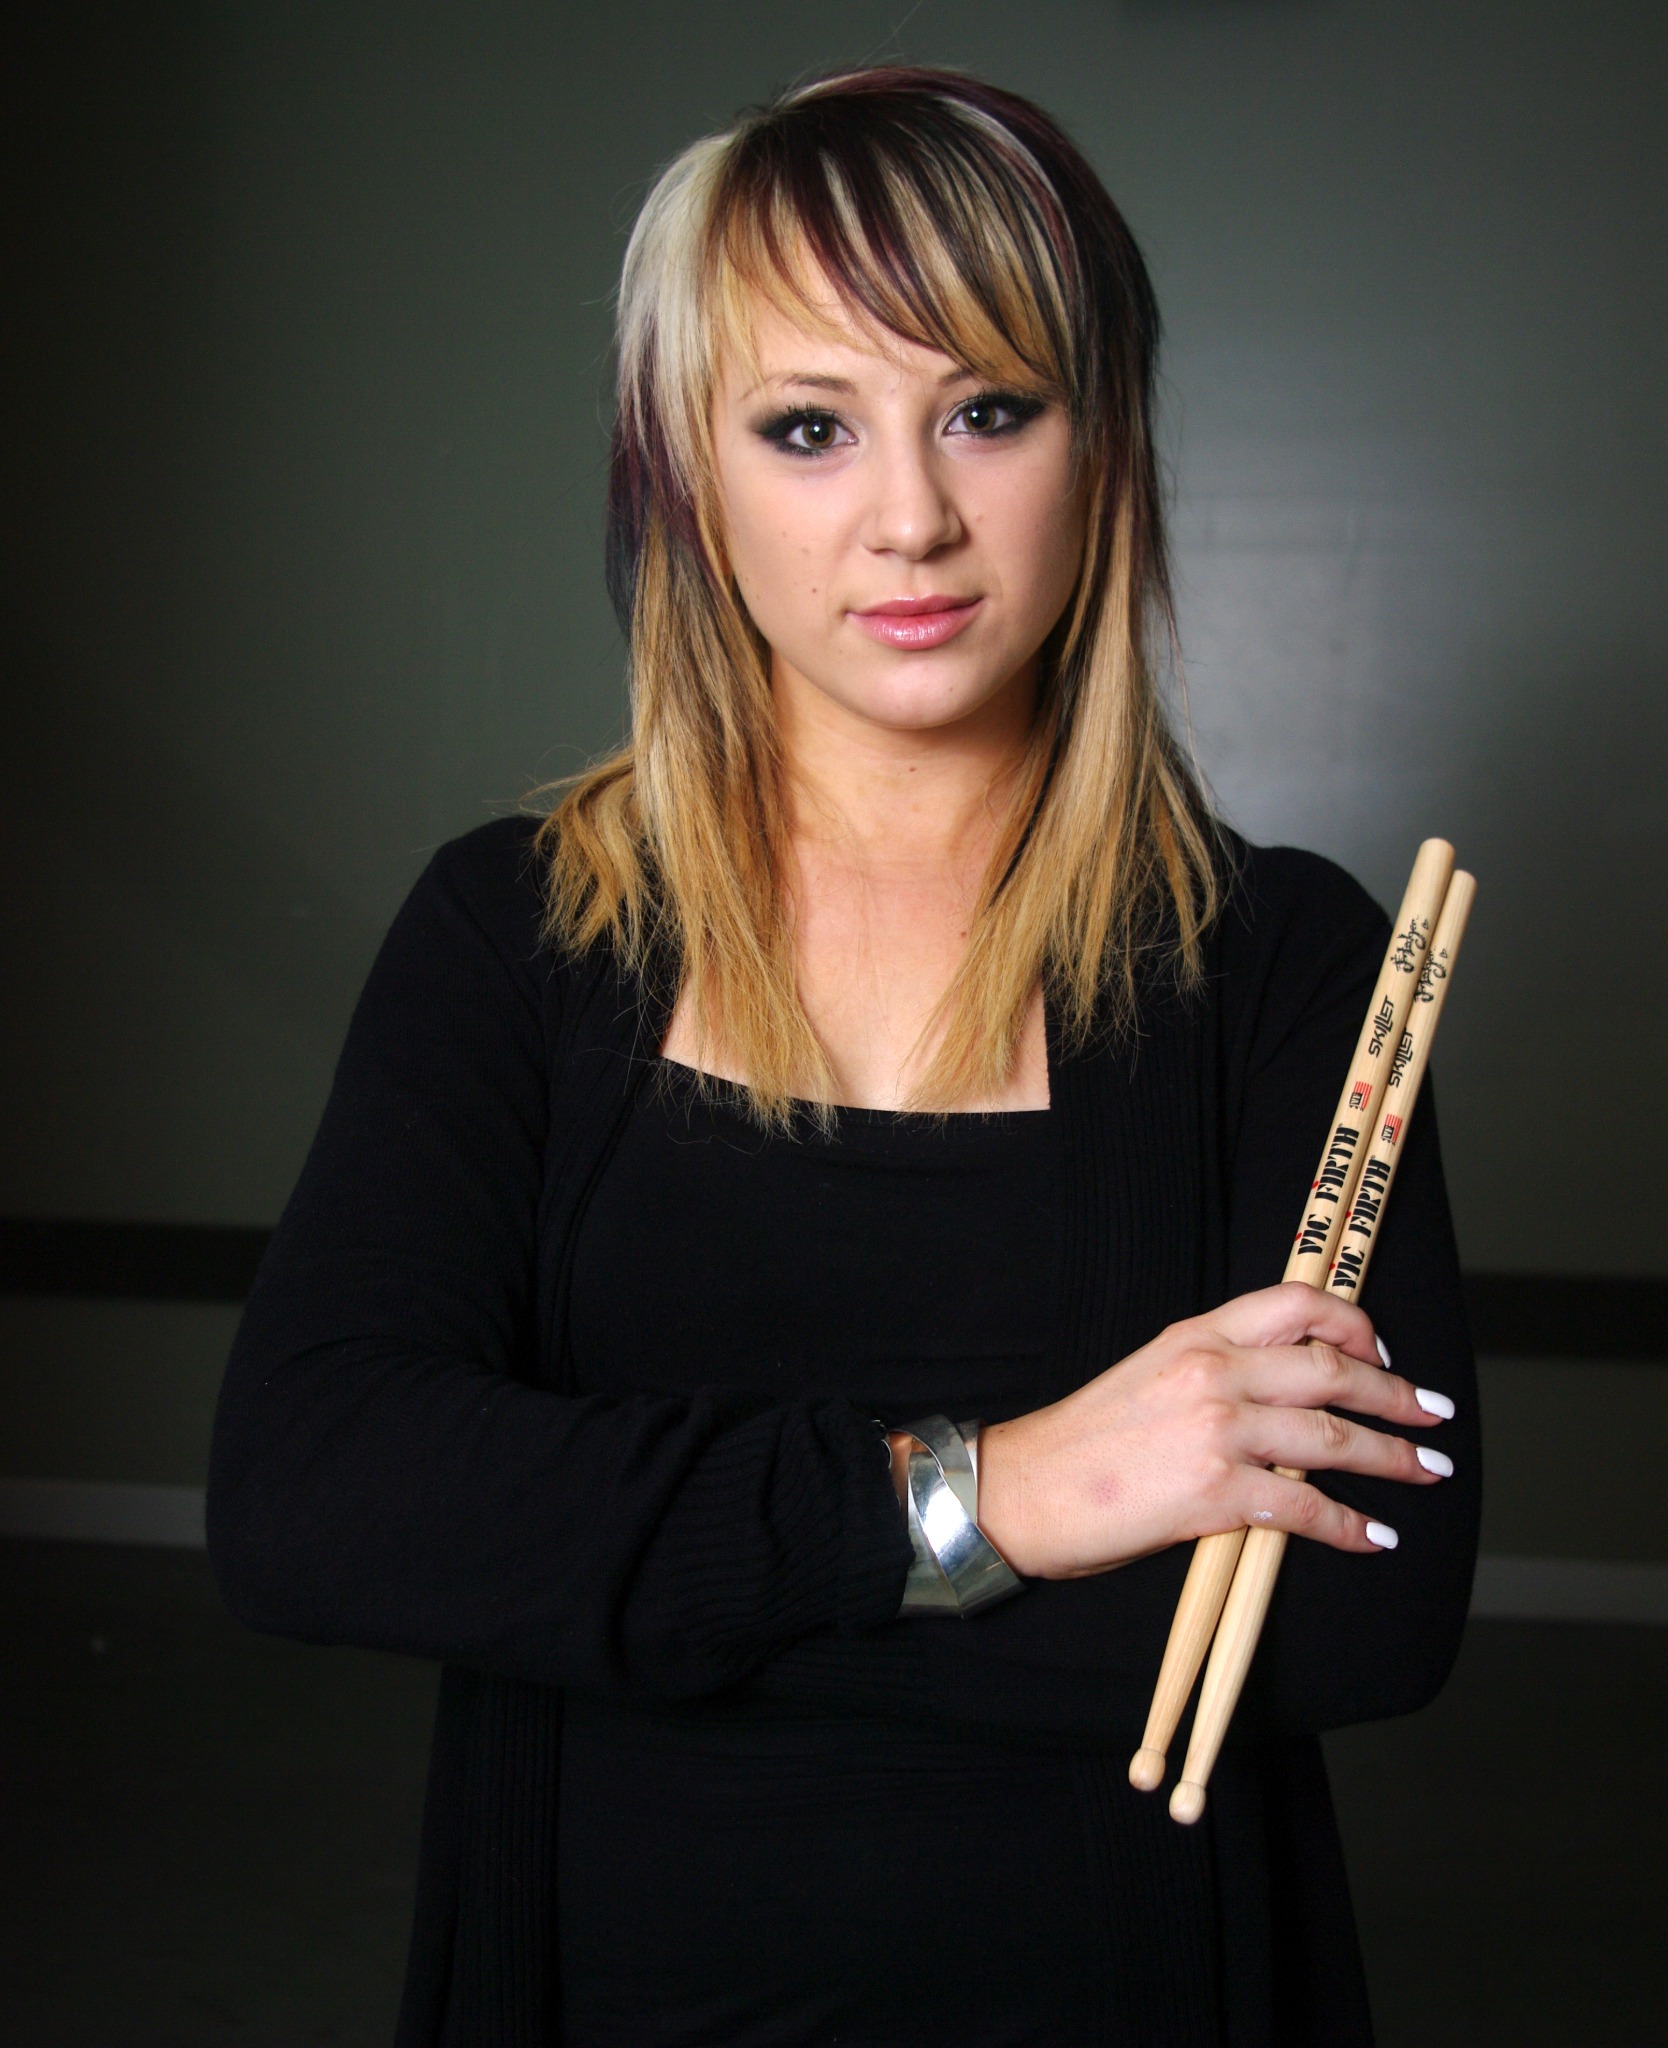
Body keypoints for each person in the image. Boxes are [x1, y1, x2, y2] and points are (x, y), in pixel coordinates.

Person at [206, 66, 1479, 2048]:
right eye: (810, 427)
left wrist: (639, 1580)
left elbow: (1363, 1614)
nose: (912, 513)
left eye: (988, 407)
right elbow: (311, 1494)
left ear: (1104, 437)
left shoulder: (1288, 965)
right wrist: (1001, 1497)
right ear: (690, 477)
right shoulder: (519, 936)